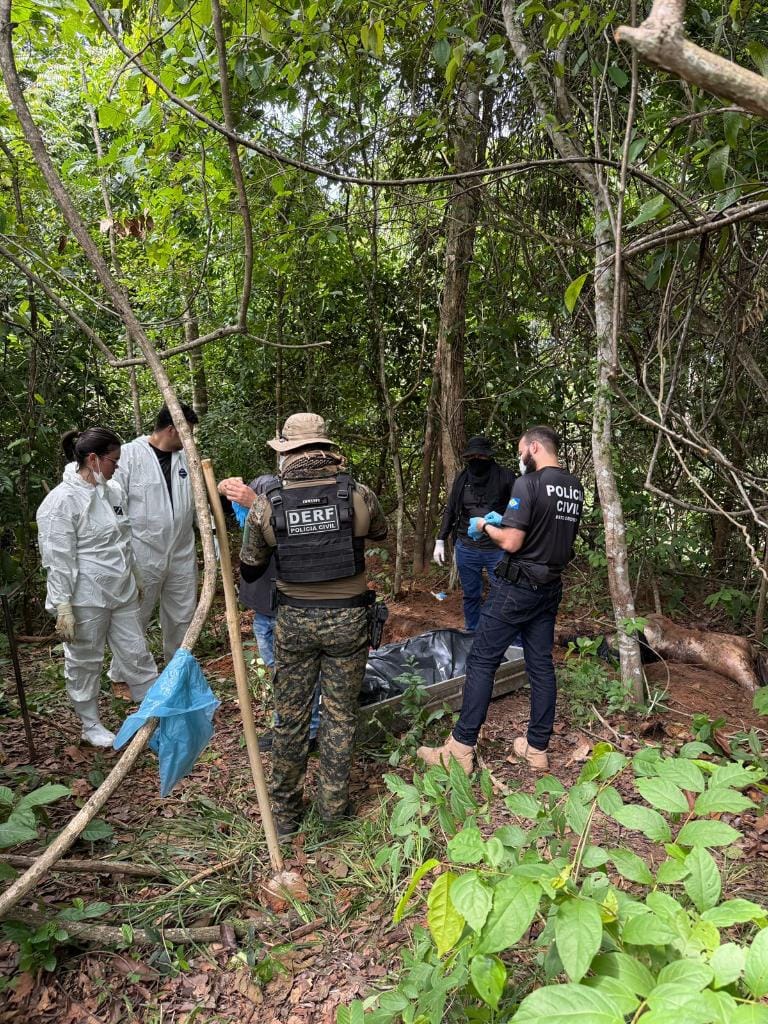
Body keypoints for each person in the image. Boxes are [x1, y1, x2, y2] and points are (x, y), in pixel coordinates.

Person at [239, 413, 387, 837]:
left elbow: (251, 568)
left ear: (287, 451)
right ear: (327, 447)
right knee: (340, 716)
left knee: (290, 717)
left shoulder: (269, 504)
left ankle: (284, 815)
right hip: (348, 619)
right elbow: (378, 531)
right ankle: (331, 812)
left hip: (295, 621)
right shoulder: (357, 494)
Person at [418, 425, 583, 774]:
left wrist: (485, 525)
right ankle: (537, 748)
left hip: (517, 587)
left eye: (523, 449)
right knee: (540, 664)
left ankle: (460, 749)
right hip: (549, 586)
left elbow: (510, 542)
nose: (521, 457)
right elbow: (545, 529)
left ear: (534, 447)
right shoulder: (574, 486)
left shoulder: (528, 483)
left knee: (481, 661)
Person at [36, 428, 158, 747]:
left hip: (121, 588)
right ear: (93, 459)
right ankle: (90, 723)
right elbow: (58, 558)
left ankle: (154, 712)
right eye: (113, 460)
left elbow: (124, 536)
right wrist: (63, 606)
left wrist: (136, 574)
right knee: (85, 660)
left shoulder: (112, 491)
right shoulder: (60, 503)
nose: (118, 466)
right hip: (86, 595)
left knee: (136, 651)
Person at [217, 473, 321, 753]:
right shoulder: (266, 485)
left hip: (293, 606)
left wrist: (258, 505)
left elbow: (300, 539)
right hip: (266, 605)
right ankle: (290, 729)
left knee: (299, 674)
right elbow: (218, 507)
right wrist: (222, 488)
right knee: (280, 674)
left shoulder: (313, 498)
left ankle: (307, 732)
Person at [112, 403, 199, 669]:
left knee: (183, 613)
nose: (190, 439)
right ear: (172, 429)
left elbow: (198, 504)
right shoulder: (128, 456)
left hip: (181, 549)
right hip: (142, 551)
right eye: (187, 432)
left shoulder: (188, 458)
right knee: (135, 614)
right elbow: (116, 506)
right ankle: (124, 673)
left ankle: (178, 668)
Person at [433, 436, 517, 631]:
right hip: (467, 546)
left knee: (504, 593)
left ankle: (501, 633)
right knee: (471, 594)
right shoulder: (462, 479)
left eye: (481, 455)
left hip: (497, 547)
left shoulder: (505, 477)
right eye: (473, 456)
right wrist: (440, 539)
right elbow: (451, 509)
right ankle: (472, 631)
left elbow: (519, 508)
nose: (477, 460)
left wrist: (503, 520)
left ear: (489, 456)